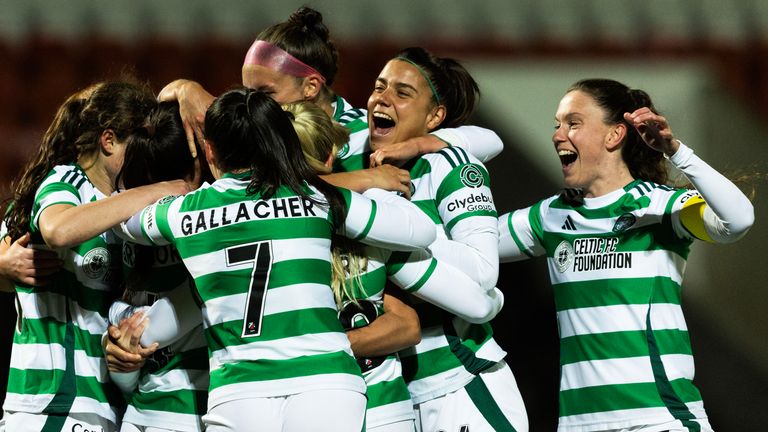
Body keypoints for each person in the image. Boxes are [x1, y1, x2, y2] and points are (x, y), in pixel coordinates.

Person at [112, 88, 439, 432]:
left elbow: (123, 222)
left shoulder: (183, 213)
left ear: (210, 151)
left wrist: (167, 189)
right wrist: (363, 182)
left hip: (240, 391)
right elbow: (420, 231)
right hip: (327, 382)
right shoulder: (317, 198)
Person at [497, 78, 755, 432]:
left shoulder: (660, 205)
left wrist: (677, 152)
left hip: (659, 418)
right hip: (579, 423)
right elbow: (469, 245)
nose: (558, 134)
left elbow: (738, 220)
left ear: (614, 135)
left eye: (573, 123)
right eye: (556, 124)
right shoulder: (550, 216)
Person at [1, 81, 191, 432]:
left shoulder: (129, 206)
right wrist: (161, 188)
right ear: (108, 141)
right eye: (138, 143)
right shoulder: (67, 182)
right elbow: (58, 229)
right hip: (55, 401)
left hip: (105, 402)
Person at [355, 47, 527, 432]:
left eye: (402, 93)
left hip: (461, 382)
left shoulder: (452, 166)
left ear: (434, 117)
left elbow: (483, 272)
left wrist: (392, 237)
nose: (382, 98)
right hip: (393, 397)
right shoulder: (358, 164)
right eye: (379, 87)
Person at [158, 6, 503, 197]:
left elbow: (489, 142)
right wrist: (185, 86)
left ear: (310, 87)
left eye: (264, 94)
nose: (251, 103)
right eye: (247, 92)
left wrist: (423, 142)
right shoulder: (257, 128)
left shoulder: (362, 133)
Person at [105, 101, 209, 432]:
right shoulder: (214, 221)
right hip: (191, 414)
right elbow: (141, 339)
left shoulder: (117, 217)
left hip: (147, 413)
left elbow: (138, 338)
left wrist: (115, 317)